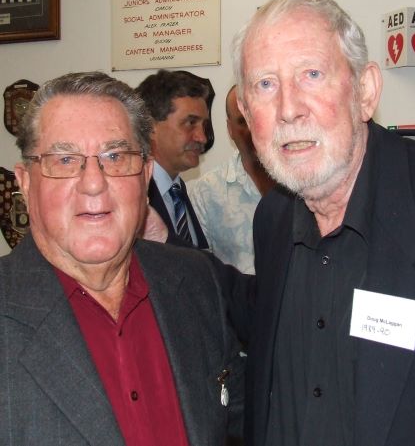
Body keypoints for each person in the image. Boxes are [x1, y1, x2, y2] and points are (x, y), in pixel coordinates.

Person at [227, 0, 415, 445]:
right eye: (265, 85)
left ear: (365, 91)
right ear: (245, 113)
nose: (289, 109)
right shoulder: (272, 218)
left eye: (311, 74)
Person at [0, 71, 244, 446]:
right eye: (65, 160)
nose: (94, 183)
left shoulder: (196, 283)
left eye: (115, 156)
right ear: (26, 182)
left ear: (145, 174)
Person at [190, 85, 274, 274]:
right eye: (243, 122)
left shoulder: (302, 183)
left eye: (259, 118)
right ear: (230, 129)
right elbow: (198, 270)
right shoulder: (208, 192)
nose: (253, 130)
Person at [136, 69, 210, 249]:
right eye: (190, 123)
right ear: (150, 127)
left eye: (203, 125)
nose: (202, 137)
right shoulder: (135, 195)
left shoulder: (177, 190)